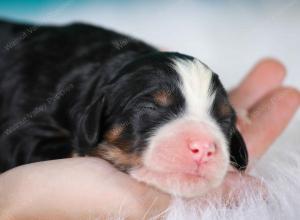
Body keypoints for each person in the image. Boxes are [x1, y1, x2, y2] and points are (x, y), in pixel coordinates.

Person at [0, 59, 299, 220]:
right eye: (151, 108)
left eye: (219, 119)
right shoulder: (40, 101)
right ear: (95, 116)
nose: (203, 145)